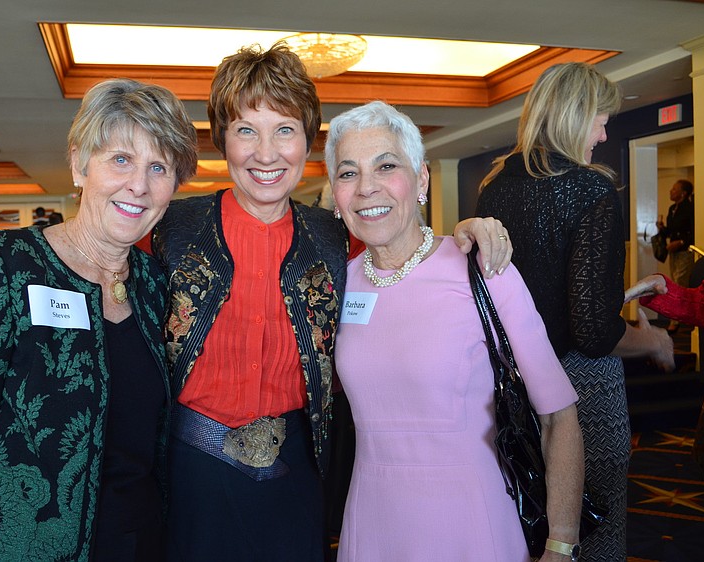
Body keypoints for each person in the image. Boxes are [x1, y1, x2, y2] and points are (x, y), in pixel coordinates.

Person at [149, 42, 512, 562]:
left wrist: (466, 233)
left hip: (298, 470)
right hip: (191, 470)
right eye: (246, 130)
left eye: (285, 130)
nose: (267, 153)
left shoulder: (333, 237)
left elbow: (404, 243)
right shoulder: (172, 229)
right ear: (221, 140)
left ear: (308, 141)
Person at [0, 78, 197, 561]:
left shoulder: (157, 286)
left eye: (159, 167)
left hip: (142, 541)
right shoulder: (0, 265)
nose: (139, 184)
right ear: (78, 163)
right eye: (120, 159)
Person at [326, 100, 584, 562]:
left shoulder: (483, 268)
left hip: (472, 523)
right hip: (372, 524)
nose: (366, 188)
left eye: (386, 165)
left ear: (421, 178)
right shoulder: (336, 285)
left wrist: (561, 545)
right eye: (348, 173)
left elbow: (558, 417)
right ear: (335, 191)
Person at [476, 62, 675, 561]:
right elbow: (591, 332)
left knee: (531, 518)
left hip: (515, 382)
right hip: (580, 389)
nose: (605, 135)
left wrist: (622, 295)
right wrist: (651, 340)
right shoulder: (591, 190)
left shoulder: (494, 187)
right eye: (600, 120)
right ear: (572, 115)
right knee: (595, 528)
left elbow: (532, 298)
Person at [656, 179, 695, 332]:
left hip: (685, 252)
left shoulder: (690, 208)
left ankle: (676, 321)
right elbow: (671, 231)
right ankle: (679, 318)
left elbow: (692, 232)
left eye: (674, 189)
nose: (671, 191)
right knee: (675, 283)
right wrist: (662, 228)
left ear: (683, 193)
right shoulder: (673, 208)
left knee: (679, 284)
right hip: (674, 253)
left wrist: (680, 242)